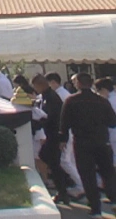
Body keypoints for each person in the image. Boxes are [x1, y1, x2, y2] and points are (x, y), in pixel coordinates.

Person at [59, 73, 116, 218]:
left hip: (82, 142)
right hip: (102, 141)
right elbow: (112, 122)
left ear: (78, 83)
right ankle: (113, 198)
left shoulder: (71, 101)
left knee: (88, 175)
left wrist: (63, 139)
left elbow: (64, 123)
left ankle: (95, 208)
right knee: (108, 173)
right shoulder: (102, 101)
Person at [31, 75, 73, 204]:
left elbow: (52, 117)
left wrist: (40, 120)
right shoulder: (45, 97)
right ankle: (62, 187)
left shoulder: (52, 98)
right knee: (48, 159)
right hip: (50, 134)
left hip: (54, 135)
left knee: (54, 163)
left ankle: (63, 189)